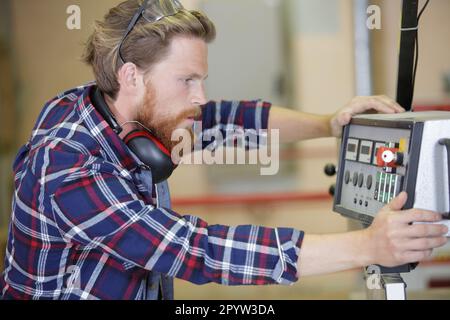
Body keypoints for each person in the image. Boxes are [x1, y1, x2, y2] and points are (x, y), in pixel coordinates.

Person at [0, 0, 447, 300]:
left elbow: (231, 121)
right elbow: (196, 251)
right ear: (132, 75)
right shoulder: (66, 164)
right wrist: (368, 245)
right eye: (187, 80)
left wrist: (329, 124)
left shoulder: (117, 107)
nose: (200, 97)